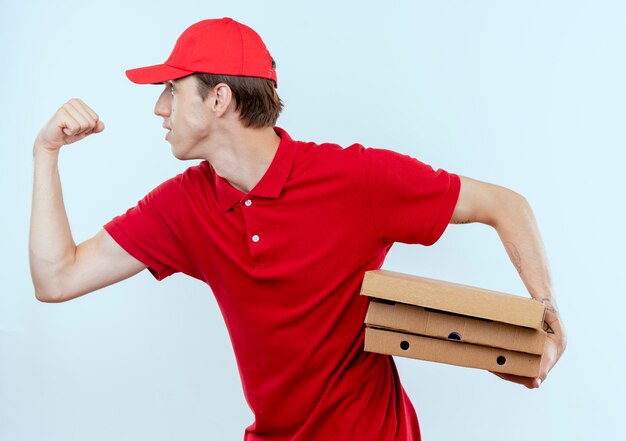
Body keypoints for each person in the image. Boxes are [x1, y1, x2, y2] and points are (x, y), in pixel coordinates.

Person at [29, 17, 567, 441]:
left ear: (219, 98)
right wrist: (45, 153)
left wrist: (544, 314)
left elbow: (506, 205)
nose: (158, 107)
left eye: (173, 89)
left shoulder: (355, 179)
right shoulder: (184, 206)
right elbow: (57, 279)